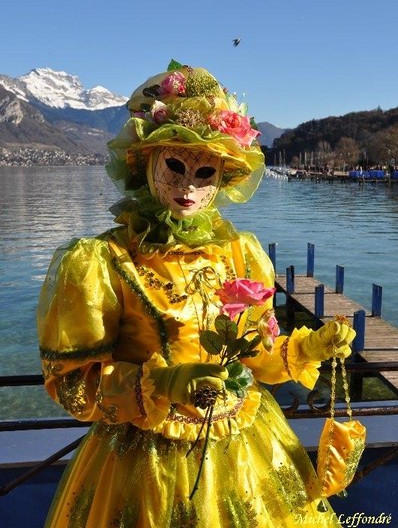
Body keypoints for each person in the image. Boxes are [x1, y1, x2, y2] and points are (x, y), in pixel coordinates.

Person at [37, 62, 355, 527]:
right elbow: (72, 384)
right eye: (174, 165)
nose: (188, 185)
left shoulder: (239, 255)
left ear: (224, 178)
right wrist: (162, 383)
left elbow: (256, 358)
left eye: (206, 171)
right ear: (145, 162)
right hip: (143, 461)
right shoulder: (103, 262)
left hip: (245, 446)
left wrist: (306, 347)